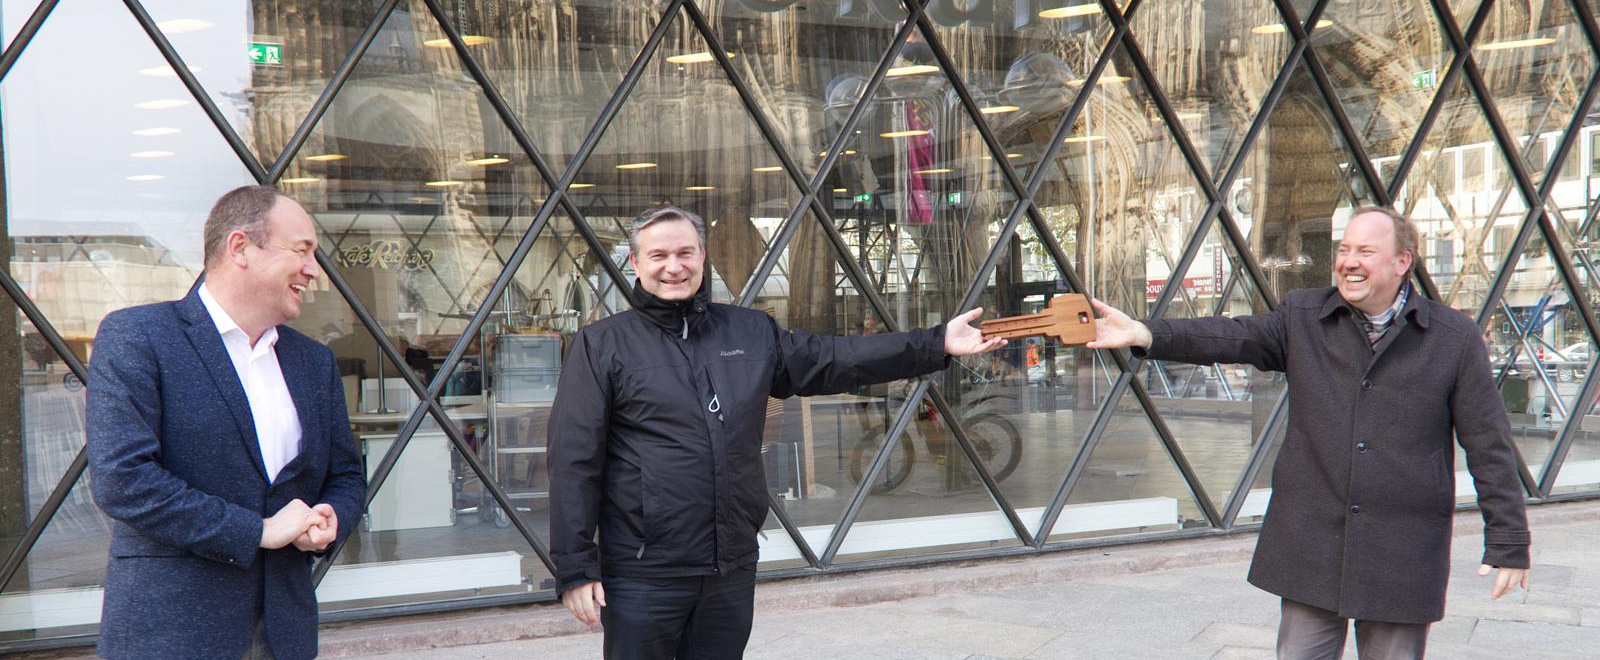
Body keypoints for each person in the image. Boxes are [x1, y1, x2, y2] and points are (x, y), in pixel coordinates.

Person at [548, 205, 1005, 658]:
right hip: (644, 573)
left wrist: (934, 342)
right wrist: (575, 569)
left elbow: (835, 358)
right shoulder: (602, 344)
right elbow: (574, 461)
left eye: (686, 253)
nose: (674, 267)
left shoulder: (749, 331)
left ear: (703, 257)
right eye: (659, 255)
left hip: (729, 568)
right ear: (636, 262)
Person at [1089, 206, 1530, 660]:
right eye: (1344, 250)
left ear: (1403, 263)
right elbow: (1230, 336)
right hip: (1312, 544)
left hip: (1402, 549)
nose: (1349, 261)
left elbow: (1488, 443)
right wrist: (1145, 333)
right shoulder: (1304, 317)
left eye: (1366, 250)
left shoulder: (1451, 338)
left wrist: (1509, 542)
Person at [87, 185, 366, 660]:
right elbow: (124, 481)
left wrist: (331, 516)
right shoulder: (138, 337)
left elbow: (345, 474)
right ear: (240, 248)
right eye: (301, 250)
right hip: (172, 632)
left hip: (284, 633)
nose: (313, 270)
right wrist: (257, 531)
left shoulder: (313, 361)